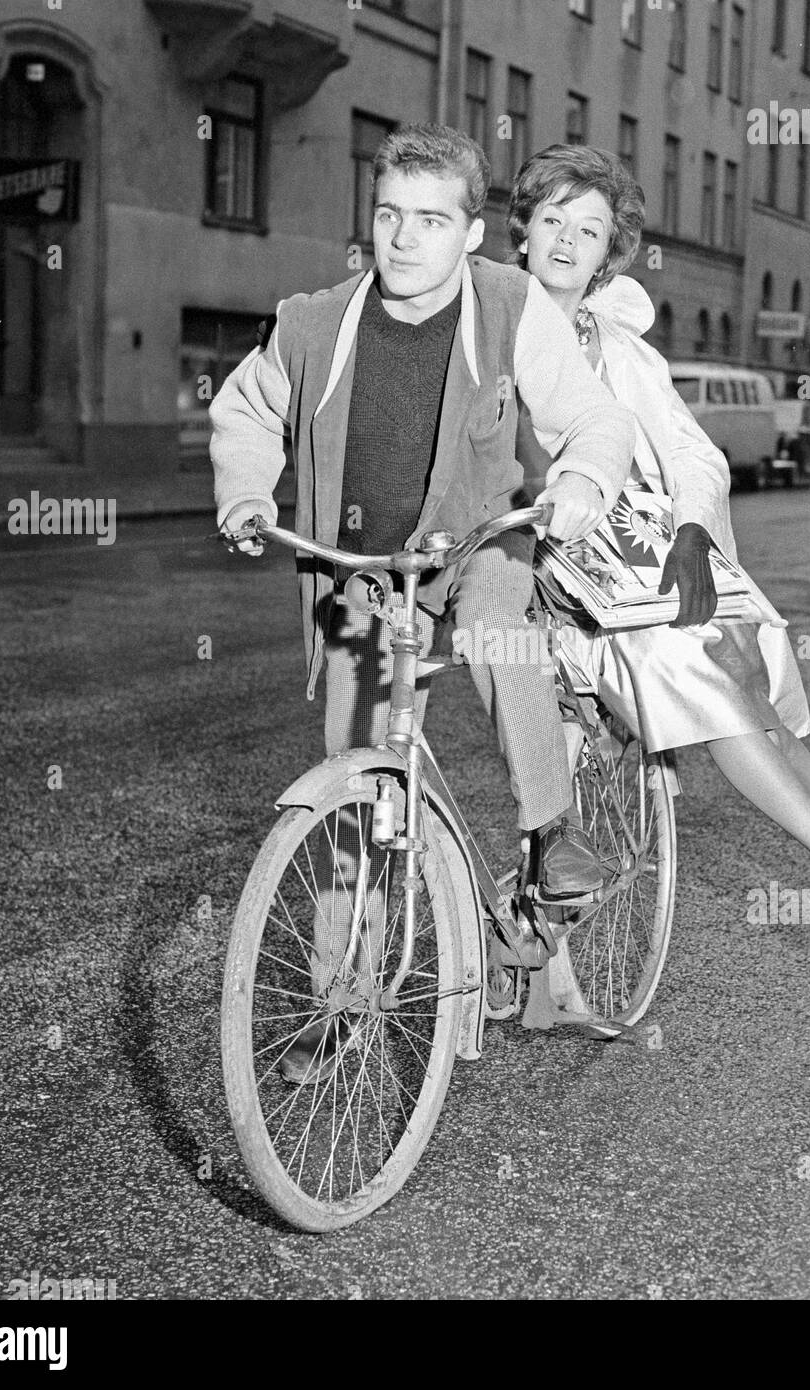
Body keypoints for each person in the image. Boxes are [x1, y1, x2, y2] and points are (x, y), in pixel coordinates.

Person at [210, 125, 635, 1078]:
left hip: (476, 544)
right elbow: (246, 410)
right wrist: (245, 489)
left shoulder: (510, 306)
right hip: (365, 568)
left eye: (431, 220)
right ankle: (340, 1000)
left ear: (472, 233)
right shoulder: (312, 320)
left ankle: (551, 837)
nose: (404, 239)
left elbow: (594, 418)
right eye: (390, 214)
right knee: (354, 788)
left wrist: (578, 484)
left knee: (496, 623)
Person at [509, 145, 810, 936]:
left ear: (612, 252)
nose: (567, 243)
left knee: (742, 665)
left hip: (635, 555)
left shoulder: (621, 346)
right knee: (701, 672)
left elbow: (692, 453)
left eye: (590, 229)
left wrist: (689, 533)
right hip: (547, 569)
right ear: (523, 229)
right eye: (553, 220)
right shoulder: (494, 321)